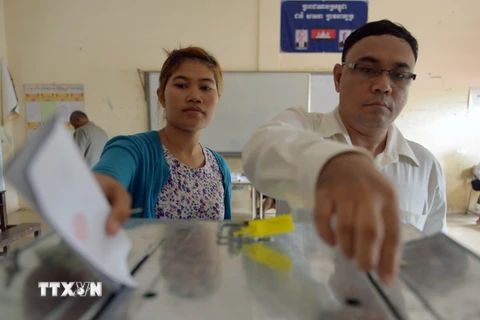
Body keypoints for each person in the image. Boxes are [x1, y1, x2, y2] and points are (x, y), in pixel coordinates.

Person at [242, 20, 447, 284]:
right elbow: (260, 150)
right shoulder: (304, 127)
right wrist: (332, 164)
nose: (383, 85)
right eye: (367, 69)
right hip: (309, 302)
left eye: (399, 75)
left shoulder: (426, 166)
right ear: (339, 77)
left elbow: (433, 253)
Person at [93, 46, 232, 226]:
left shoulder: (219, 166)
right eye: (181, 85)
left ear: (217, 98)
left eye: (206, 87)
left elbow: (225, 235)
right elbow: (109, 174)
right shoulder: (133, 150)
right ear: (161, 96)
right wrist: (104, 185)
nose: (195, 96)